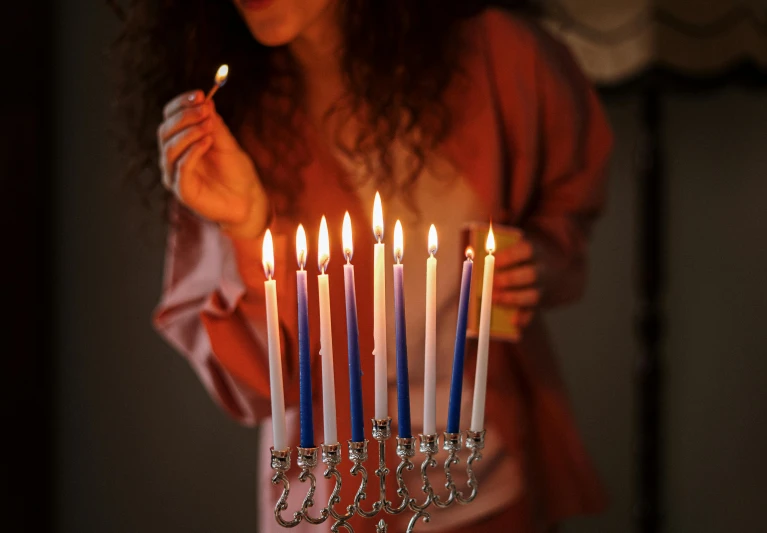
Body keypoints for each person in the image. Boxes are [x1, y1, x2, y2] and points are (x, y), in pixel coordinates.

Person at [111, 0, 613, 531]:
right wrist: (248, 231)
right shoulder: (225, 138)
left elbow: (569, 203)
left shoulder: (500, 56)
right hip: (330, 502)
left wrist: (542, 260)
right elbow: (259, 380)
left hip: (491, 486)